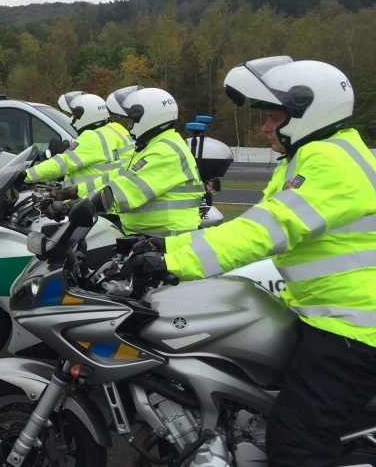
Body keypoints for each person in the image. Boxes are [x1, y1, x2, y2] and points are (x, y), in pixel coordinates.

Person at [124, 57, 376, 466]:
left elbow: (265, 229)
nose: (263, 127)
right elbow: (253, 226)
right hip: (334, 319)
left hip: (353, 331)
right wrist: (163, 244)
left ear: (306, 113)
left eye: (273, 117)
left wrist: (170, 258)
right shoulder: (322, 154)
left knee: (297, 444)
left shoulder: (330, 163)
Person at [67, 87, 204, 237]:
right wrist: (74, 191)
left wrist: (79, 206)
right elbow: (115, 177)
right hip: (149, 235)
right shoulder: (151, 146)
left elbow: (128, 190)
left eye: (132, 120)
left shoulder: (166, 151)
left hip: (168, 240)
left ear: (148, 117)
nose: (129, 125)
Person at [24, 92, 134, 193]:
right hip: (111, 194)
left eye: (75, 116)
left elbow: (63, 163)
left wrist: (26, 175)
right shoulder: (117, 129)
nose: (72, 120)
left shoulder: (92, 137)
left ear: (87, 115)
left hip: (84, 200)